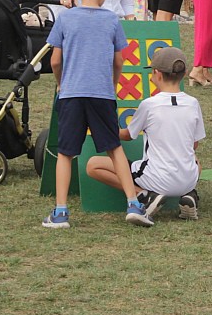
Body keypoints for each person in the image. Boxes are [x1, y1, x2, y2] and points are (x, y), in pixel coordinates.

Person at [42, 0, 154, 229]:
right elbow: (119, 61)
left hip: (71, 93)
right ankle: (133, 203)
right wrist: (112, 85)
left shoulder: (65, 19)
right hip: (102, 94)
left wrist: (61, 84)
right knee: (114, 147)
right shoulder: (112, 20)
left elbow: (55, 61)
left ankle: (60, 212)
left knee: (66, 153)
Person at [85, 46, 205, 221]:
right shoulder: (193, 103)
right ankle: (189, 194)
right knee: (195, 159)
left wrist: (105, 129)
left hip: (156, 178)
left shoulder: (149, 104)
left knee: (93, 165)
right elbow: (194, 144)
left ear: (156, 74)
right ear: (185, 73)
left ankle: (144, 195)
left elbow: (128, 135)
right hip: (188, 179)